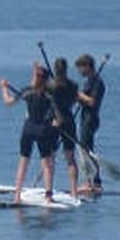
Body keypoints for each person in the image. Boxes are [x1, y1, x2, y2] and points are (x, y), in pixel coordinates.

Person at [0, 63, 62, 204]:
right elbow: (58, 117)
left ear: (37, 78)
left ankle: (17, 195)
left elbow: (8, 101)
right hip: (43, 130)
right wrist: (56, 122)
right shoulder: (50, 95)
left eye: (34, 76)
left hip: (28, 129)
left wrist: (4, 88)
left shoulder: (27, 92)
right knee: (46, 163)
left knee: (23, 162)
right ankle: (48, 196)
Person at [48, 58, 81, 197]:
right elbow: (74, 101)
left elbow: (50, 103)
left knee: (50, 157)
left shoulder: (51, 85)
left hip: (54, 122)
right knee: (70, 158)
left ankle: (48, 190)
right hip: (69, 120)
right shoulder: (74, 85)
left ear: (55, 70)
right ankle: (74, 191)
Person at [75, 54, 106, 191]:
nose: (79, 72)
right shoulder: (89, 82)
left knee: (84, 149)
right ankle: (96, 181)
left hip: (90, 118)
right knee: (88, 149)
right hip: (85, 117)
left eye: (80, 68)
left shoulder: (97, 83)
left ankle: (89, 182)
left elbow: (92, 102)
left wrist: (77, 94)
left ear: (87, 66)